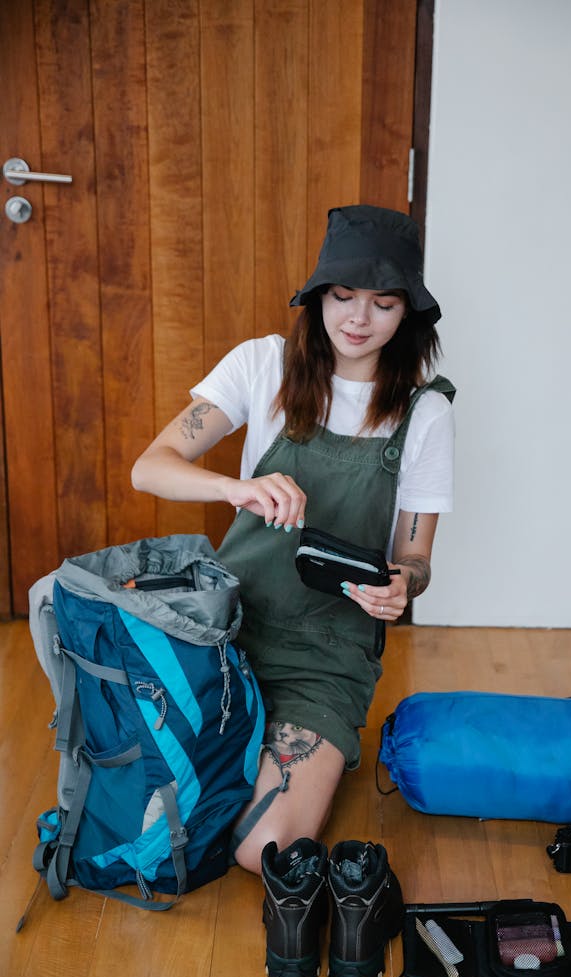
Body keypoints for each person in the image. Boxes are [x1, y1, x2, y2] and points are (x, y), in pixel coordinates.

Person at [132, 206, 454, 927]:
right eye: (343, 295)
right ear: (317, 296)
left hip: (327, 651)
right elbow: (149, 468)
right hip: (221, 632)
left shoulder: (424, 413)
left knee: (263, 847)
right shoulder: (262, 365)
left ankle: (301, 755)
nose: (360, 318)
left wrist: (403, 586)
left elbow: (416, 557)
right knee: (152, 806)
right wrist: (234, 487)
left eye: (384, 301)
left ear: (409, 311)